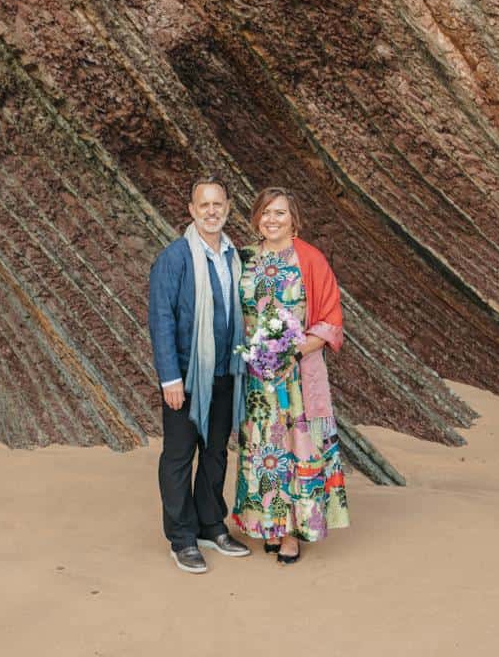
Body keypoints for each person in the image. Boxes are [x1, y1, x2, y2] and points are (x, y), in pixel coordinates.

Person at [232, 187, 350, 563]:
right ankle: (269, 524)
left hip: (296, 376)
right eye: (265, 212)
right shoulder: (243, 258)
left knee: (296, 449)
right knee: (263, 451)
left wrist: (291, 352)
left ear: (293, 220)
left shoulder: (310, 259)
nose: (272, 220)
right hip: (256, 379)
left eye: (280, 213)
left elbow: (330, 321)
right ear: (256, 218)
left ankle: (293, 533)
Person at [148, 176, 250, 573]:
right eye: (203, 205)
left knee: (215, 452)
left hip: (226, 372)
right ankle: (182, 537)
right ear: (191, 210)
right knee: (179, 456)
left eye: (217, 204)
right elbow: (161, 319)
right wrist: (170, 378)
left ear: (228, 208)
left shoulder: (235, 257)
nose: (211, 211)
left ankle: (210, 525)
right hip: (187, 376)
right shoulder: (174, 258)